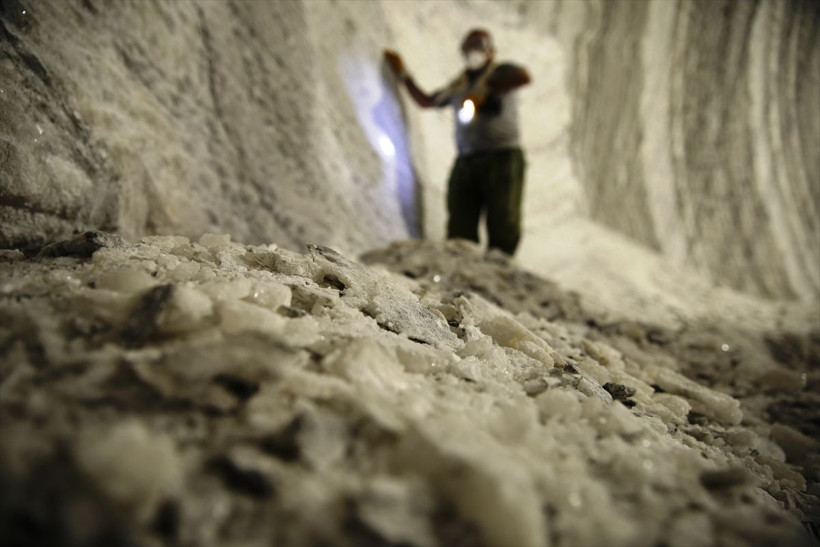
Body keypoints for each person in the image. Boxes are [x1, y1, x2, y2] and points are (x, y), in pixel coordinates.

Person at [384, 29, 531, 255]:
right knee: (460, 223)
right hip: (468, 161)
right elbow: (426, 100)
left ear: (491, 51)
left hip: (502, 159)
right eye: (469, 47)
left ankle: (500, 271)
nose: (474, 52)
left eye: (479, 46)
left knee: (503, 222)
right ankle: (463, 271)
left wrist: (487, 91)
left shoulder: (500, 73)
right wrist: (403, 74)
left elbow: (523, 77)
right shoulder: (459, 86)